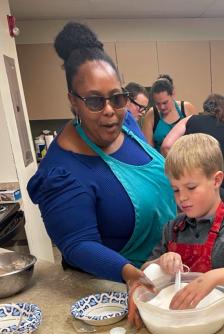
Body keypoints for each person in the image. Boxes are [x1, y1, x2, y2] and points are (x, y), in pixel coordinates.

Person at [27, 22, 176, 287]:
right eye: (95, 101)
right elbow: (78, 243)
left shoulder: (127, 123)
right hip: (117, 288)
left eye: (116, 98)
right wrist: (130, 274)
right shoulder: (60, 172)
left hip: (166, 267)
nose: (110, 110)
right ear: (73, 100)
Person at [128, 133, 224, 327]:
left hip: (220, 323)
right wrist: (160, 262)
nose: (182, 198)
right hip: (176, 323)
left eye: (191, 187)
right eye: (176, 189)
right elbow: (145, 270)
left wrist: (213, 277)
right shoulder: (174, 228)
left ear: (217, 180)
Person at [142, 74, 196, 152]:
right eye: (158, 104)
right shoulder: (151, 114)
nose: (162, 107)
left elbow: (197, 141)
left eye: (165, 102)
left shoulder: (187, 108)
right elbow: (149, 150)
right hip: (161, 162)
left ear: (173, 94)